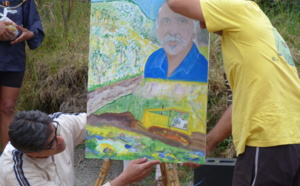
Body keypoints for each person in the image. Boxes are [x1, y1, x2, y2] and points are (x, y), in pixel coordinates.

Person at [166, 0, 300, 185]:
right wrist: (207, 143)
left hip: (268, 141)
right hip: (287, 140)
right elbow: (242, 103)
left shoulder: (239, 7)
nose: (200, 22)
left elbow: (175, 3)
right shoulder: (251, 29)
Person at [0, 110, 161, 185]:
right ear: (32, 153)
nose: (61, 140)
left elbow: (95, 122)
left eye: (56, 131)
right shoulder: (19, 174)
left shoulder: (58, 123)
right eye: (52, 143)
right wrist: (124, 179)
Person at [0, 0, 44, 152]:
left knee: (7, 108)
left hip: (13, 60)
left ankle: (7, 161)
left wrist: (29, 34)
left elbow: (35, 27)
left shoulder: (25, 1)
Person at [144, 2, 208, 82]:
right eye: (166, 21)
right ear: (158, 28)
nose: (173, 32)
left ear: (194, 29)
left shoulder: (202, 68)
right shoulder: (153, 60)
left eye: (181, 21)